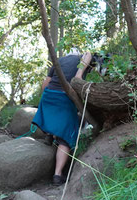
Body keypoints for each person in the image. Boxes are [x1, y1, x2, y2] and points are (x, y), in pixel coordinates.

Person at [32, 50, 92, 186]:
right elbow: (89, 53)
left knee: (52, 115)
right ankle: (57, 175)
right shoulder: (82, 58)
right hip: (65, 97)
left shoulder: (58, 60)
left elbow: (44, 85)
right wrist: (79, 74)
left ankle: (49, 135)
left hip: (49, 95)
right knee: (66, 137)